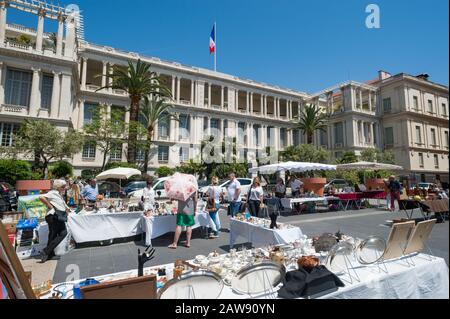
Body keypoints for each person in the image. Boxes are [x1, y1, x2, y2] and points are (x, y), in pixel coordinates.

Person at [39, 180, 72, 263]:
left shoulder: (58, 194)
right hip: (53, 216)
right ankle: (46, 251)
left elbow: (61, 204)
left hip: (56, 216)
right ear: (58, 187)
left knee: (53, 236)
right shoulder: (53, 192)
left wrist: (67, 209)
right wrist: (50, 207)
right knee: (62, 233)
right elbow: (41, 197)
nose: (65, 188)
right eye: (63, 187)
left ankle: (48, 254)